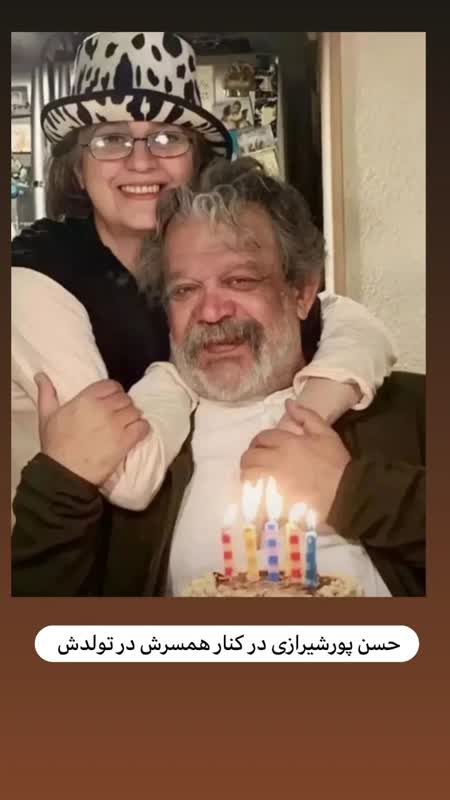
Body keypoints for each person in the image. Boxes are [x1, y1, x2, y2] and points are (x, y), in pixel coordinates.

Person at [12, 32, 395, 517]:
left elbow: (355, 326)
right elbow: (129, 475)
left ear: (196, 159)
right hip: (56, 547)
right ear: (76, 167)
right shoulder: (33, 279)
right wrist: (177, 375)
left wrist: (306, 417)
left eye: (167, 137)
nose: (141, 160)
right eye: (111, 139)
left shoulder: (192, 259)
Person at [11, 159, 425, 598]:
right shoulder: (133, 449)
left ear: (302, 292)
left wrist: (355, 491)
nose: (211, 312)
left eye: (240, 281)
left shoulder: (409, 409)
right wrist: (62, 481)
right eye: (185, 290)